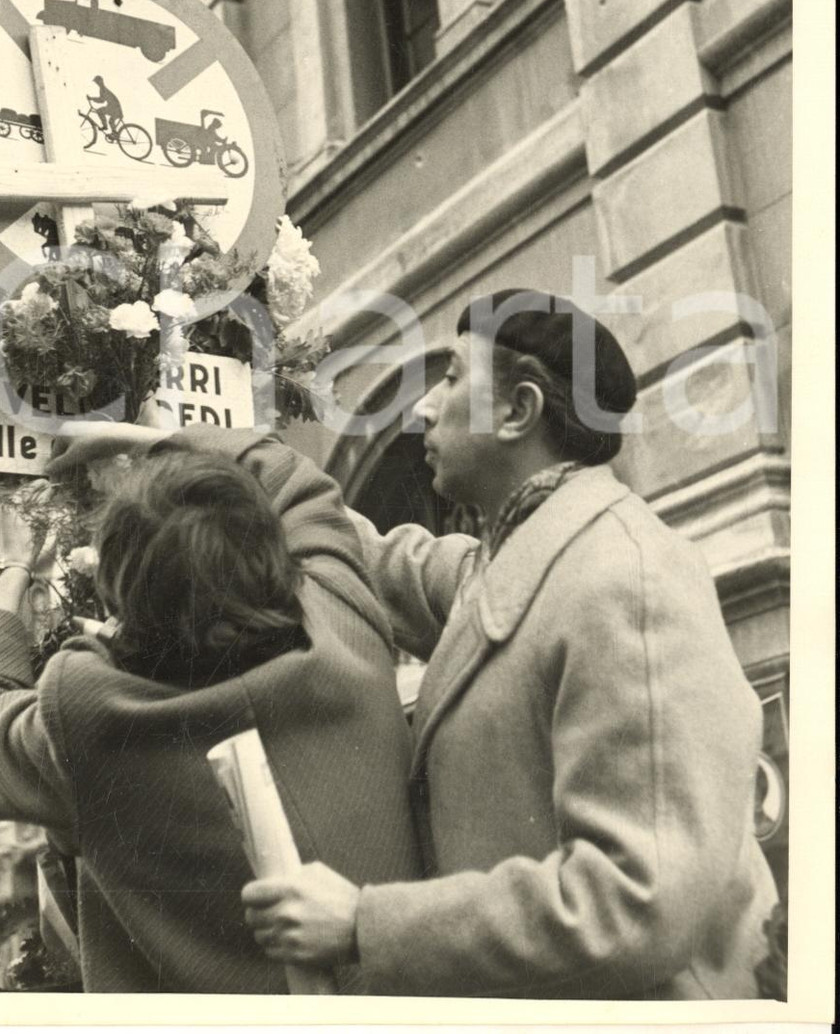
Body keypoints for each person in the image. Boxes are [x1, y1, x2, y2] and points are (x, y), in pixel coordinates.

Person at [48, 289, 779, 999]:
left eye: (453, 379)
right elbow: (346, 544)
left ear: (521, 409)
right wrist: (175, 456)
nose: (425, 407)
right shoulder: (520, 558)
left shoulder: (626, 578)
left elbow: (639, 902)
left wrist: (369, 926)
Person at [0, 443, 421, 993]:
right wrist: (149, 438)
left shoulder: (93, 714)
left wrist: (12, 568)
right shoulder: (343, 618)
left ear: (115, 594)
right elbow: (294, 478)